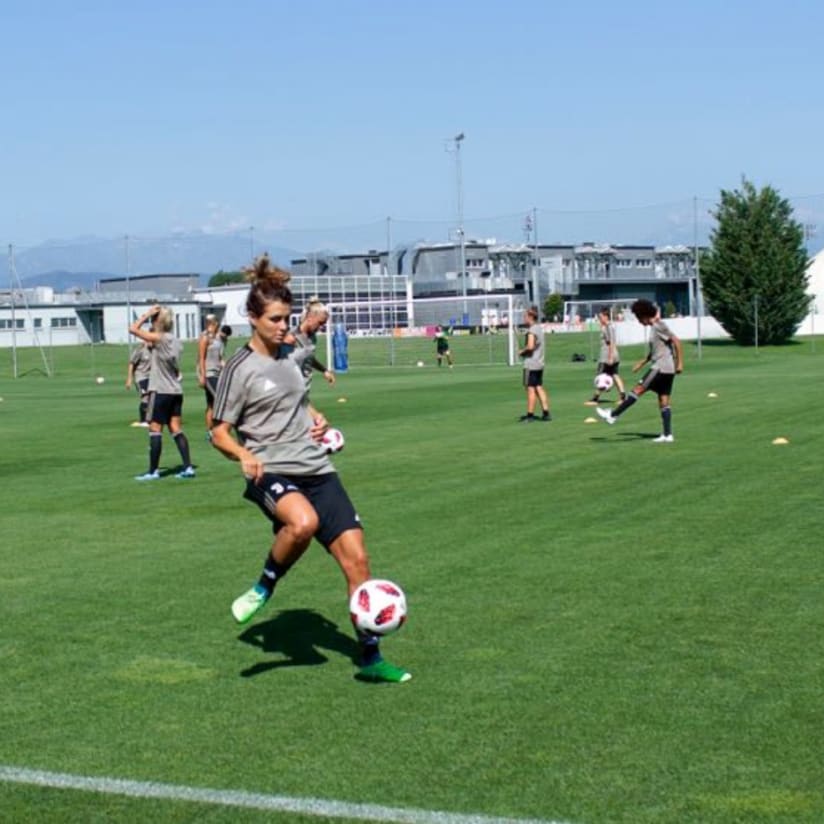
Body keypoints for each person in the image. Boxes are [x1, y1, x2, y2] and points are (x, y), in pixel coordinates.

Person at [210, 255, 410, 684]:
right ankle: (264, 586)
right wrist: (243, 455)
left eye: (288, 318)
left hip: (317, 466)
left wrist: (316, 417)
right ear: (252, 318)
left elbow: (296, 403)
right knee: (303, 523)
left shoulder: (294, 355)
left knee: (358, 561)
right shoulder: (237, 369)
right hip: (271, 470)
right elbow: (218, 432)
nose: (284, 327)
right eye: (276, 320)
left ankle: (371, 660)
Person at [597, 299, 683, 442]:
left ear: (644, 315)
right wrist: (642, 362)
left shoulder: (658, 326)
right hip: (667, 369)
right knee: (664, 401)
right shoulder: (655, 327)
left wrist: (680, 363)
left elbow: (677, 342)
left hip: (660, 367)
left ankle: (613, 415)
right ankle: (668, 435)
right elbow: (658, 349)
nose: (638, 321)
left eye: (638, 317)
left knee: (637, 390)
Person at [129, 305, 196, 479]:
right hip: (176, 390)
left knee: (155, 429)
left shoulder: (159, 338)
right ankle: (188, 467)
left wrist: (146, 314)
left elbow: (133, 329)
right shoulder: (176, 341)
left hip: (160, 390)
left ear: (158, 321)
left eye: (154, 319)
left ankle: (153, 471)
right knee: (176, 428)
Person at [283, 298, 336, 391]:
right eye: (320, 323)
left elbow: (308, 357)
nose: (321, 327)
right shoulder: (291, 337)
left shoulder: (312, 338)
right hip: (290, 393)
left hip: (302, 393)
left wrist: (324, 370)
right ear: (310, 317)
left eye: (323, 324)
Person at [197, 314, 232, 435]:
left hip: (217, 374)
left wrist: (227, 367)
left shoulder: (220, 339)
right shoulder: (205, 337)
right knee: (220, 399)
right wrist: (202, 375)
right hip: (209, 374)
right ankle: (220, 430)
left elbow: (221, 357)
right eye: (212, 323)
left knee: (211, 404)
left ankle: (210, 432)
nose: (214, 325)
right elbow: (201, 358)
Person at [518, 306, 551, 422]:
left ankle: (530, 415)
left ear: (530, 316)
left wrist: (522, 351)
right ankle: (546, 413)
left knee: (530, 389)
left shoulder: (531, 331)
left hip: (531, 364)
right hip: (539, 363)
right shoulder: (539, 329)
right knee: (539, 387)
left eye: (525, 316)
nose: (524, 318)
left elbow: (531, 346)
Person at [588, 308, 626, 404]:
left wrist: (610, 357)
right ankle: (623, 397)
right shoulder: (606, 327)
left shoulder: (609, 327)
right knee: (615, 375)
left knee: (600, 376)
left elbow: (611, 343)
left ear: (606, 316)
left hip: (606, 357)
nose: (599, 319)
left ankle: (595, 398)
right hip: (613, 355)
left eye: (600, 317)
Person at [125, 340, 152, 426]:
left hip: (152, 378)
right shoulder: (140, 350)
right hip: (141, 377)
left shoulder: (156, 350)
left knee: (153, 398)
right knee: (145, 397)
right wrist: (129, 378)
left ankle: (150, 418)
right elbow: (131, 363)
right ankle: (143, 421)